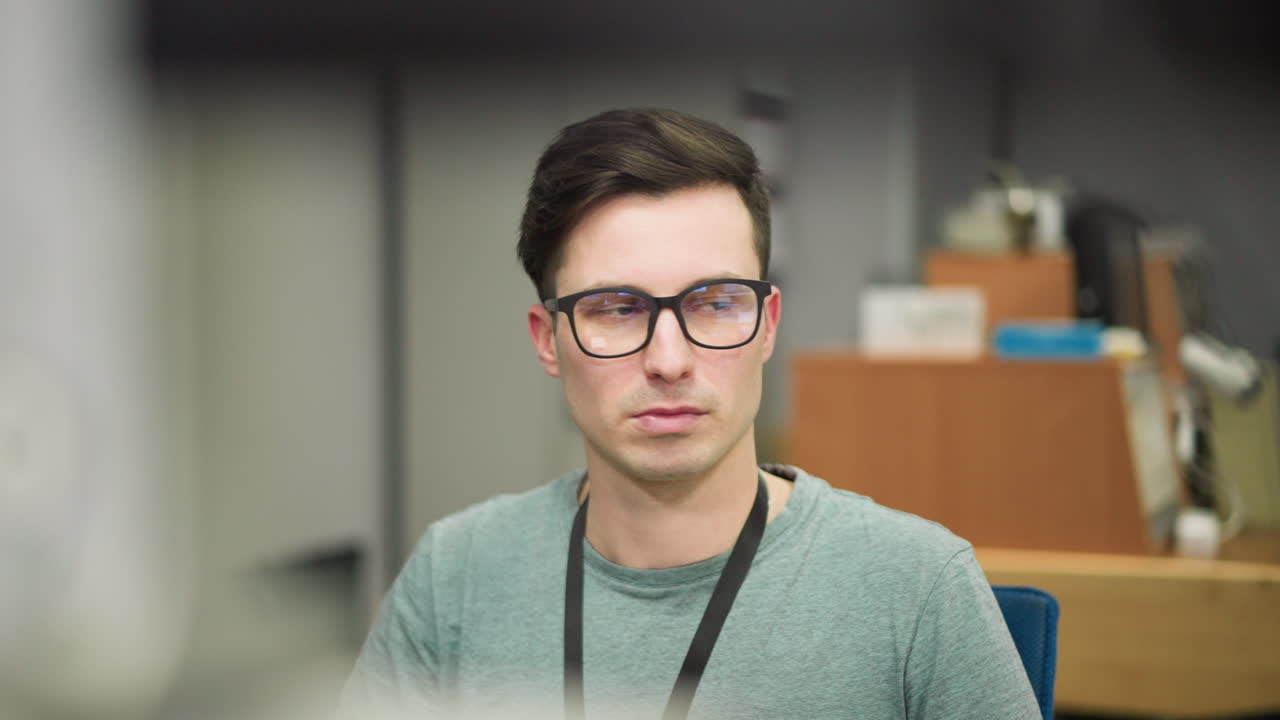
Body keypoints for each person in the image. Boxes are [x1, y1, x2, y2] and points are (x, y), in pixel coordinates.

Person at [338, 108, 1040, 719]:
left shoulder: (916, 590)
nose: (668, 359)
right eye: (615, 308)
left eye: (714, 303)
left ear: (766, 325)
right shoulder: (454, 578)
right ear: (548, 341)